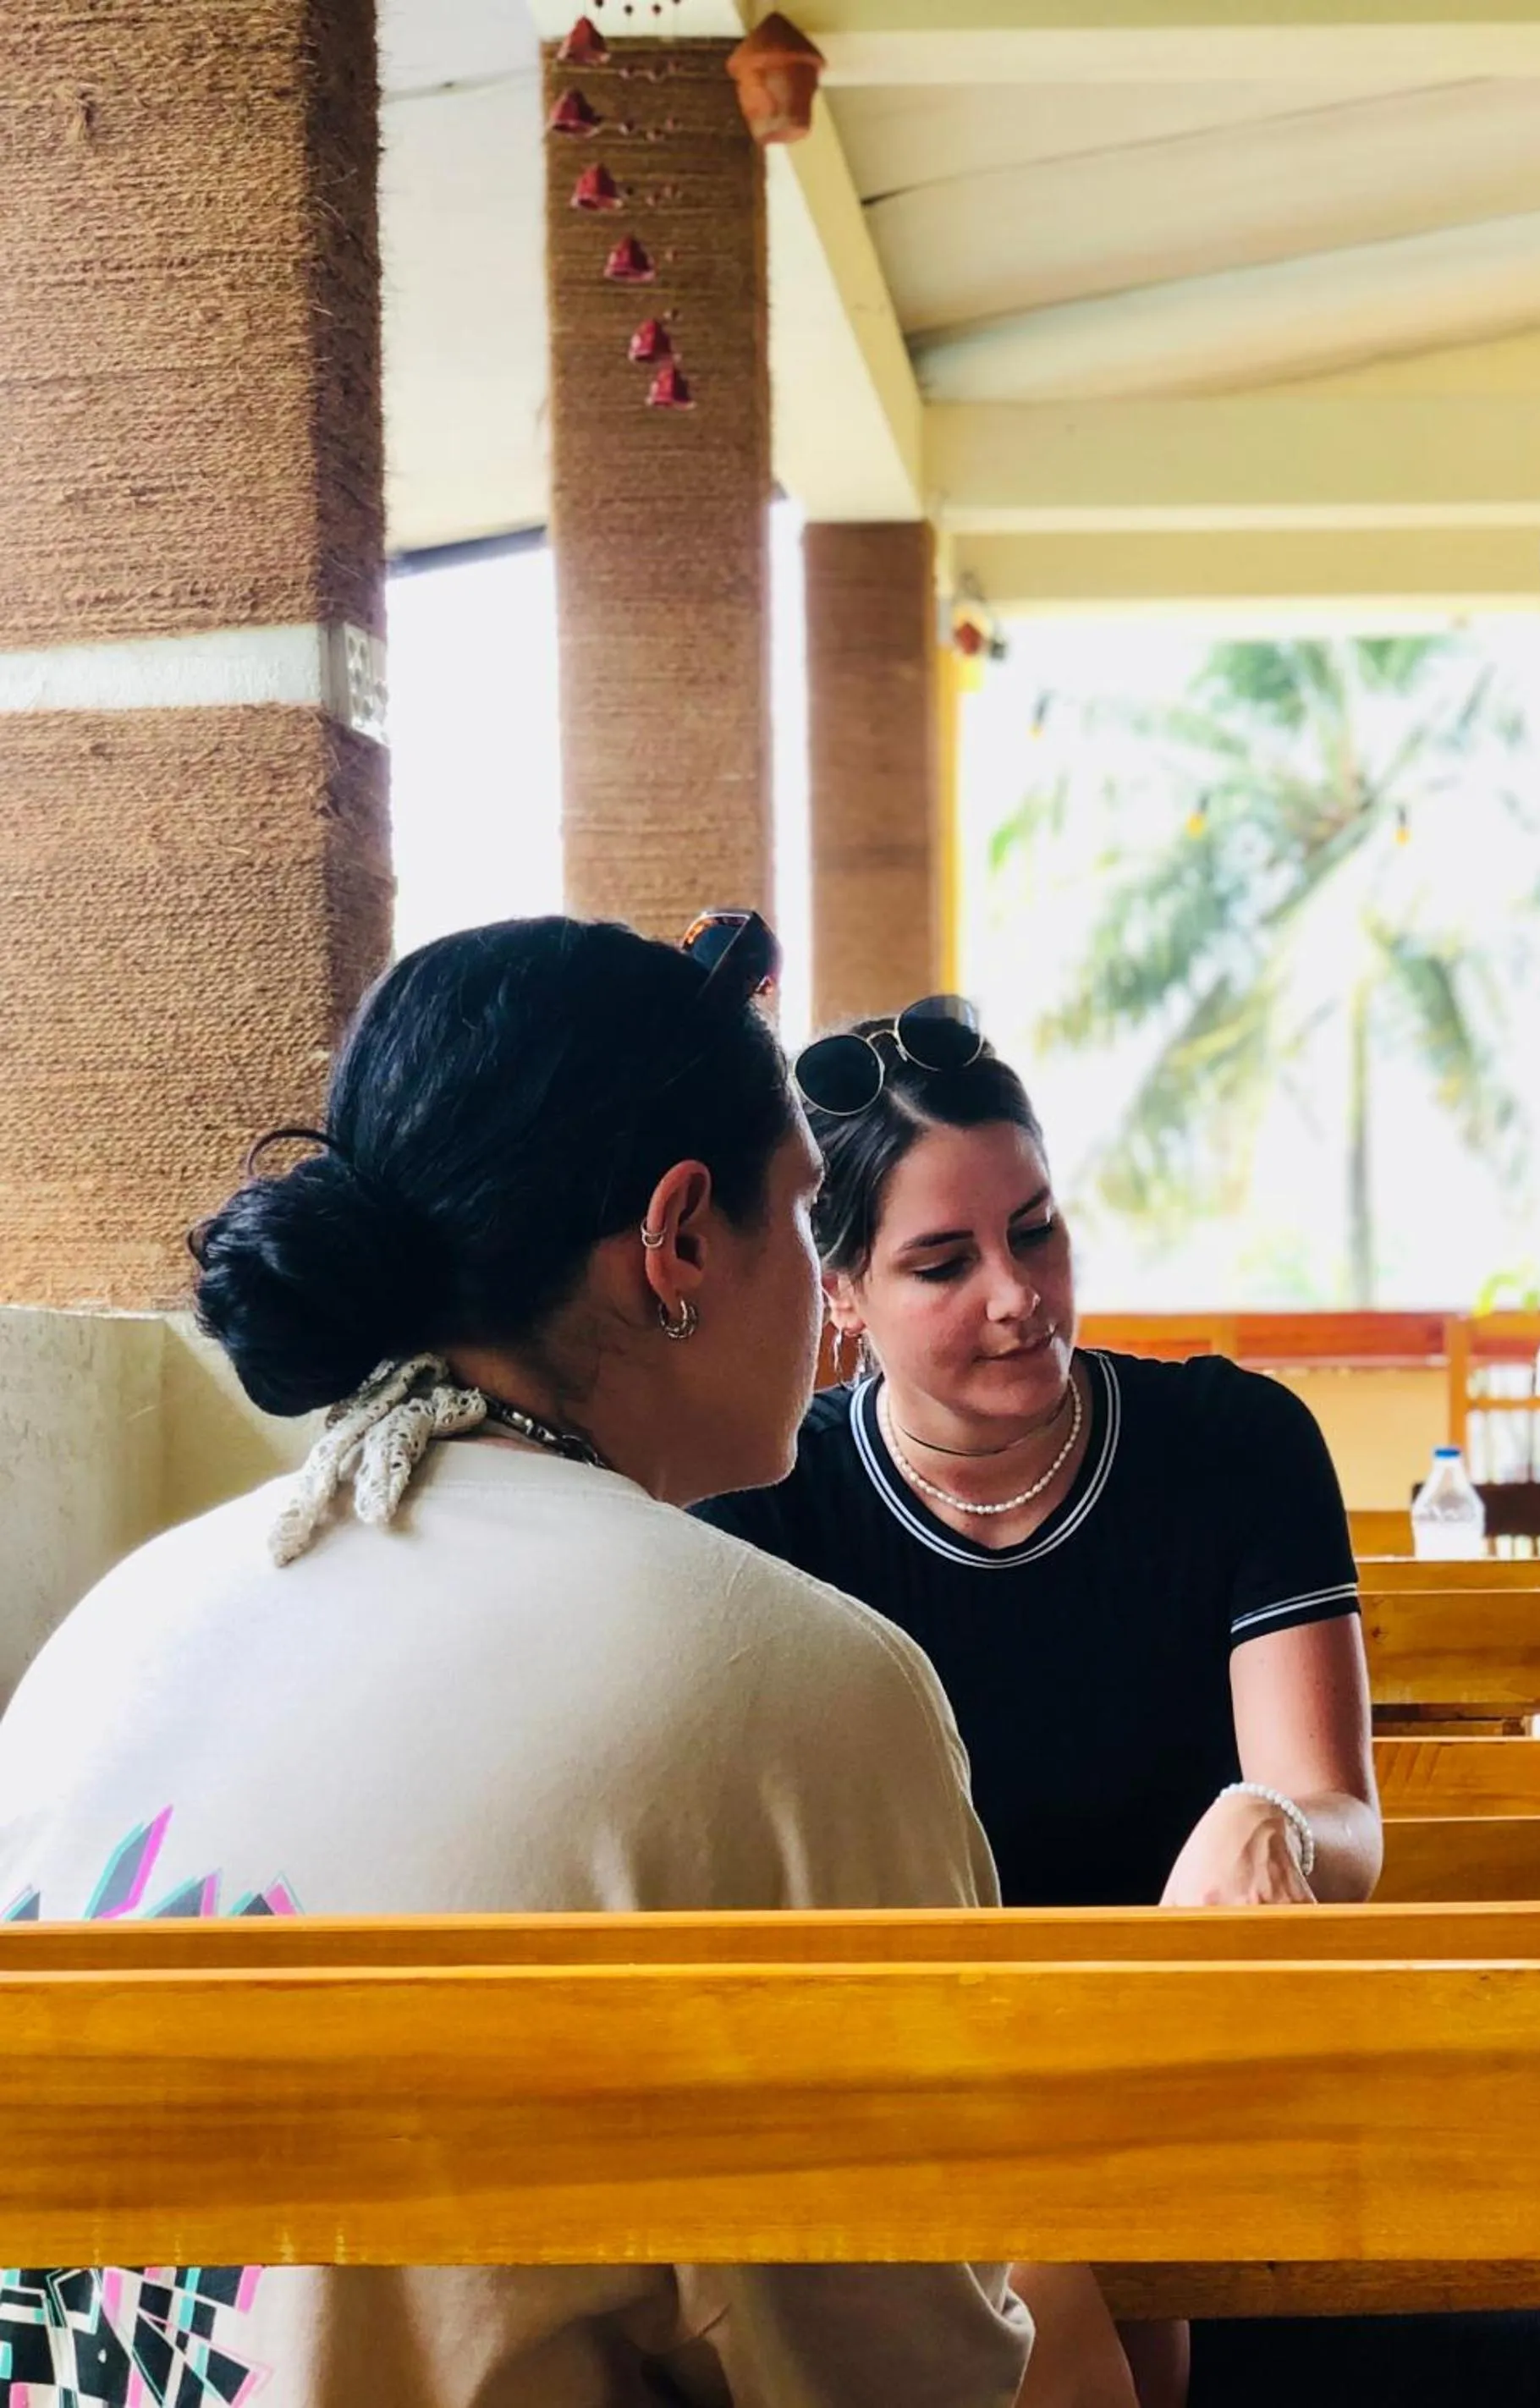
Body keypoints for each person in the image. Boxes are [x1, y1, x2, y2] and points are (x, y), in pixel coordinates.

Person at [0, 914, 1133, 2408]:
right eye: (801, 1213)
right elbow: (921, 2381)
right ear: (677, 1241)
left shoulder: (123, 1621)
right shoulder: (790, 1685)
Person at [700, 1004, 1394, 2408]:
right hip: (917, 2086)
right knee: (1036, 2259)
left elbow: (1337, 1819)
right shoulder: (770, 1501)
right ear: (841, 1294)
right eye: (943, 1262)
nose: (1018, 1295)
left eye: (1039, 1231)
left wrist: (1278, 1823)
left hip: (1198, 2064)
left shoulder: (1231, 1447)